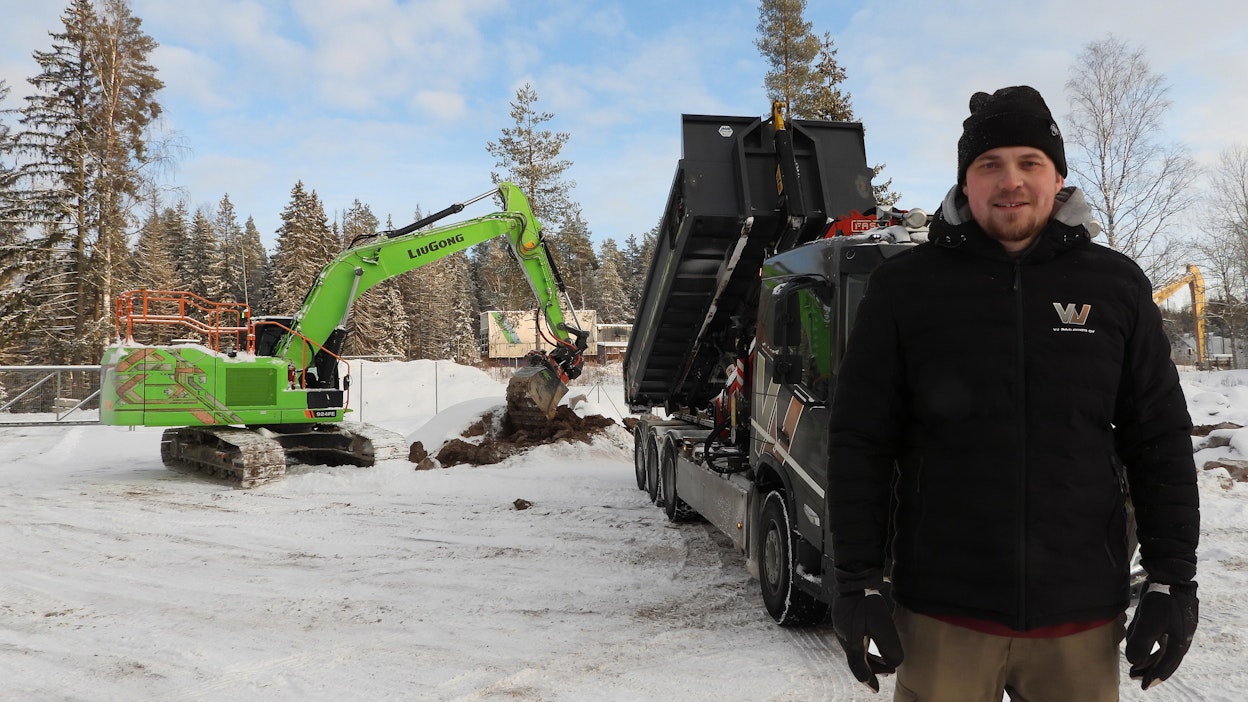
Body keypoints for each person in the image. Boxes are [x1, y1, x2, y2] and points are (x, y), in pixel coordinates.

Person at [826, 85, 1200, 701]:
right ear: (964, 183)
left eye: (1030, 163)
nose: (1011, 182)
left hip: (1078, 617)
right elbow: (861, 440)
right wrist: (856, 583)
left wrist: (1172, 581)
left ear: (1057, 178)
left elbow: (1158, 438)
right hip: (942, 614)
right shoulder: (905, 288)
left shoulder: (1115, 286)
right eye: (989, 165)